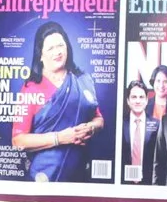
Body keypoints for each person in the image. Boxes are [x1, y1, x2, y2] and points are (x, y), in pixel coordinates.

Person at [8, 20, 104, 182]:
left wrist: (90, 128)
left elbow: (99, 119)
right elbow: (18, 140)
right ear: (41, 55)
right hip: (44, 177)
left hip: (80, 174)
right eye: (50, 48)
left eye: (60, 45)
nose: (57, 52)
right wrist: (59, 137)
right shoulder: (30, 89)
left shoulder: (83, 80)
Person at [122, 80, 153, 182]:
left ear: (147, 100)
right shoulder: (121, 124)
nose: (138, 101)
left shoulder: (157, 125)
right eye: (134, 97)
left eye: (141, 97)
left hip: (149, 183)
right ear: (128, 101)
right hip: (125, 182)